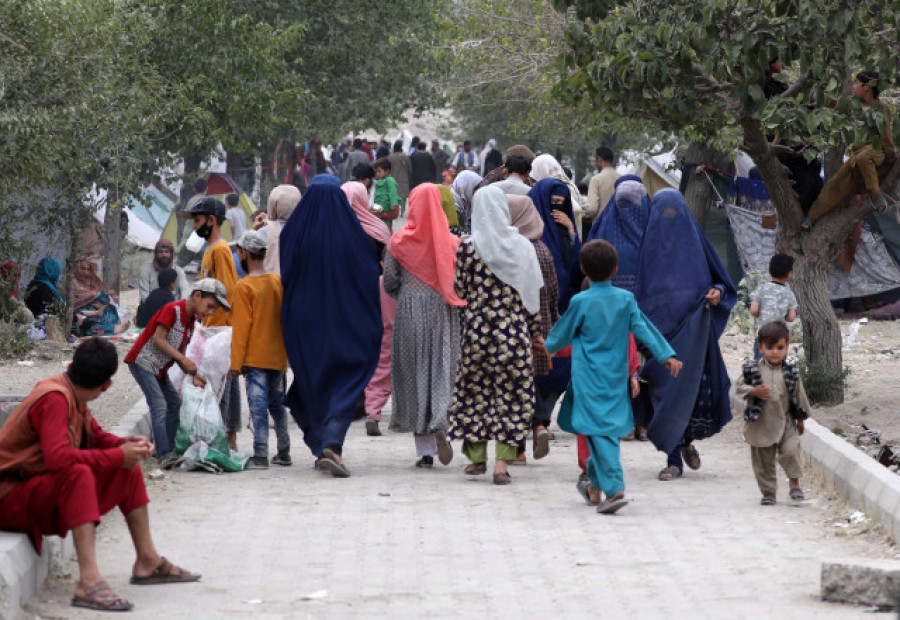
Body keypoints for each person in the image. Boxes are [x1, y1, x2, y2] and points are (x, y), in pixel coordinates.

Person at [0, 338, 200, 612]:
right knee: (79, 473)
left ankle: (148, 560)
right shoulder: (55, 398)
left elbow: (95, 435)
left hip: (33, 489)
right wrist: (119, 454)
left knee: (125, 468)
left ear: (72, 366)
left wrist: (127, 445)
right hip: (9, 496)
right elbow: (59, 460)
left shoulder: (71, 391)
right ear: (106, 386)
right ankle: (89, 582)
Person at [546, 241, 681, 513]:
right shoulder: (625, 300)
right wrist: (666, 355)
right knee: (602, 431)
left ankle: (615, 488)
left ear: (583, 269)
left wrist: (547, 347)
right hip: (616, 378)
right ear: (616, 269)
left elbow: (562, 334)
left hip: (587, 379)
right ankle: (594, 488)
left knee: (598, 431)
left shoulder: (580, 301)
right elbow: (644, 329)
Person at [281, 175, 382, 477]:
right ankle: (332, 443)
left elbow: (285, 274)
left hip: (304, 321)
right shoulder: (354, 235)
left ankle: (324, 441)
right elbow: (368, 276)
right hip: (346, 319)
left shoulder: (294, 232)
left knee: (314, 377)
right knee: (345, 377)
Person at [633, 189, 736, 481]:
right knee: (663, 394)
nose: (668, 220)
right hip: (657, 336)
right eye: (662, 213)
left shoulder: (697, 244)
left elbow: (724, 282)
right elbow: (638, 294)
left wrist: (717, 293)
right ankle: (675, 453)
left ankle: (677, 453)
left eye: (674, 213)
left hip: (693, 333)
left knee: (687, 393)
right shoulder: (647, 249)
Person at [448, 185, 544, 485]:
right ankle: (502, 465)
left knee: (475, 393)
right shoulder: (522, 247)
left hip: (477, 334)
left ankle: (476, 459)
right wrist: (537, 334)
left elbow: (460, 290)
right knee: (512, 396)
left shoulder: (467, 247)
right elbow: (531, 297)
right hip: (513, 335)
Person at [384, 183, 464, 467]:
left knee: (415, 374)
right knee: (441, 369)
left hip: (410, 313)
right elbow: (462, 283)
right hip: (443, 311)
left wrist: (407, 294)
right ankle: (441, 420)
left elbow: (390, 281)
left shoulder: (399, 241)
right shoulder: (454, 244)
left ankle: (425, 452)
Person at [126, 279, 227, 459]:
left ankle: (170, 448)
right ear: (197, 295)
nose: (210, 312)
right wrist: (182, 359)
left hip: (159, 369)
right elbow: (159, 339)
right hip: (143, 362)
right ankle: (163, 454)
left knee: (175, 403)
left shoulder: (190, 321)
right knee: (159, 405)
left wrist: (193, 373)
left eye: (214, 310)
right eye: (209, 306)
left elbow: (179, 351)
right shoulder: (172, 309)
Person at [804, 70, 896, 230]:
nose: (854, 86)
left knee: (864, 157)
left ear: (867, 87)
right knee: (834, 184)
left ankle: (876, 194)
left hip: (875, 150)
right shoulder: (853, 104)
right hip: (857, 155)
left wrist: (890, 155)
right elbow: (834, 103)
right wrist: (816, 94)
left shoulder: (881, 108)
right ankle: (812, 217)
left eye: (856, 83)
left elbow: (885, 134)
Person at [229, 231, 291, 470]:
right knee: (277, 404)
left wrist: (236, 363)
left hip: (255, 358)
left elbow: (242, 328)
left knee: (258, 407)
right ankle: (284, 451)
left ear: (245, 253)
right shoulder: (276, 281)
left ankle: (261, 455)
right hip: (277, 357)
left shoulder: (244, 287)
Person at [184, 196, 241, 450]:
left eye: (197, 221)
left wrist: (219, 327)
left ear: (211, 220)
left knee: (225, 386)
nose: (194, 227)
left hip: (221, 329)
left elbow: (227, 291)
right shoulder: (209, 249)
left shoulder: (220, 250)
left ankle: (229, 439)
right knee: (216, 385)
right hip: (209, 328)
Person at [506, 194, 559, 462]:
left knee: (515, 382)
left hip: (513, 323)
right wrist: (553, 319)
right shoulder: (542, 250)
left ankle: (518, 449)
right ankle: (539, 424)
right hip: (541, 321)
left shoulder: (504, 248)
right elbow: (551, 289)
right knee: (534, 378)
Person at [734, 321, 810, 505]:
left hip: (787, 421)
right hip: (761, 422)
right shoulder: (752, 369)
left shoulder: (791, 370)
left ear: (787, 347)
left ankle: (794, 485)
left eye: (780, 347)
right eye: (769, 347)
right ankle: (768, 492)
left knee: (791, 451)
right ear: (760, 348)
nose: (775, 352)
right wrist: (752, 391)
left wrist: (801, 419)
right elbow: (739, 387)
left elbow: (799, 395)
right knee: (763, 460)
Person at [343, 180, 394, 436]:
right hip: (375, 299)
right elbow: (389, 263)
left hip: (348, 301)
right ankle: (366, 402)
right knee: (374, 351)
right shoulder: (377, 228)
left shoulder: (337, 228)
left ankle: (354, 403)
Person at [749, 253, 798, 359]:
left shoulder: (762, 288)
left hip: (763, 335)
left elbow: (753, 310)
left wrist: (760, 314)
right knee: (779, 367)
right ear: (789, 274)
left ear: (769, 271)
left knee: (760, 366)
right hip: (780, 337)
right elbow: (791, 317)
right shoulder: (789, 294)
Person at [529, 154, 589, 231]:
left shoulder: (560, 190)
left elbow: (575, 210)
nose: (533, 184)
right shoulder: (570, 186)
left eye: (534, 180)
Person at [71, 258, 129, 336]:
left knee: (109, 309)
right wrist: (99, 296)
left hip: (93, 308)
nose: (86, 272)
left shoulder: (91, 281)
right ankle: (114, 329)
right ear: (77, 269)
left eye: (88, 269)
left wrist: (108, 297)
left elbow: (98, 295)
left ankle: (112, 326)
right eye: (82, 269)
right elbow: (84, 296)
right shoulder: (73, 282)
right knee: (86, 324)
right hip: (79, 310)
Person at [262, 184, 301, 276]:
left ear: (273, 204)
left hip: (272, 285)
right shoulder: (306, 230)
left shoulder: (265, 231)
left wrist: (254, 230)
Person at [585, 147, 620, 238]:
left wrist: (580, 210)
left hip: (601, 228)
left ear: (599, 159)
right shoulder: (621, 178)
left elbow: (592, 208)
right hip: (619, 228)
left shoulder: (596, 179)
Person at [373, 157, 402, 230]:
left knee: (386, 226)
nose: (377, 174)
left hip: (387, 207)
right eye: (376, 172)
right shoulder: (380, 180)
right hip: (380, 205)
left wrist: (393, 203)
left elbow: (393, 192)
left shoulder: (390, 180)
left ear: (387, 171)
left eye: (379, 172)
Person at [450, 170, 483, 234]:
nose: (477, 192)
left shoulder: (465, 206)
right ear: (465, 186)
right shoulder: (452, 207)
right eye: (475, 188)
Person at [388, 140, 413, 216]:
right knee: (403, 196)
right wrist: (410, 177)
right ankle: (402, 211)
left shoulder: (390, 157)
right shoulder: (406, 157)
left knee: (393, 195)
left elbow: (388, 169)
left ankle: (394, 210)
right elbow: (409, 169)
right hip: (404, 179)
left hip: (393, 178)